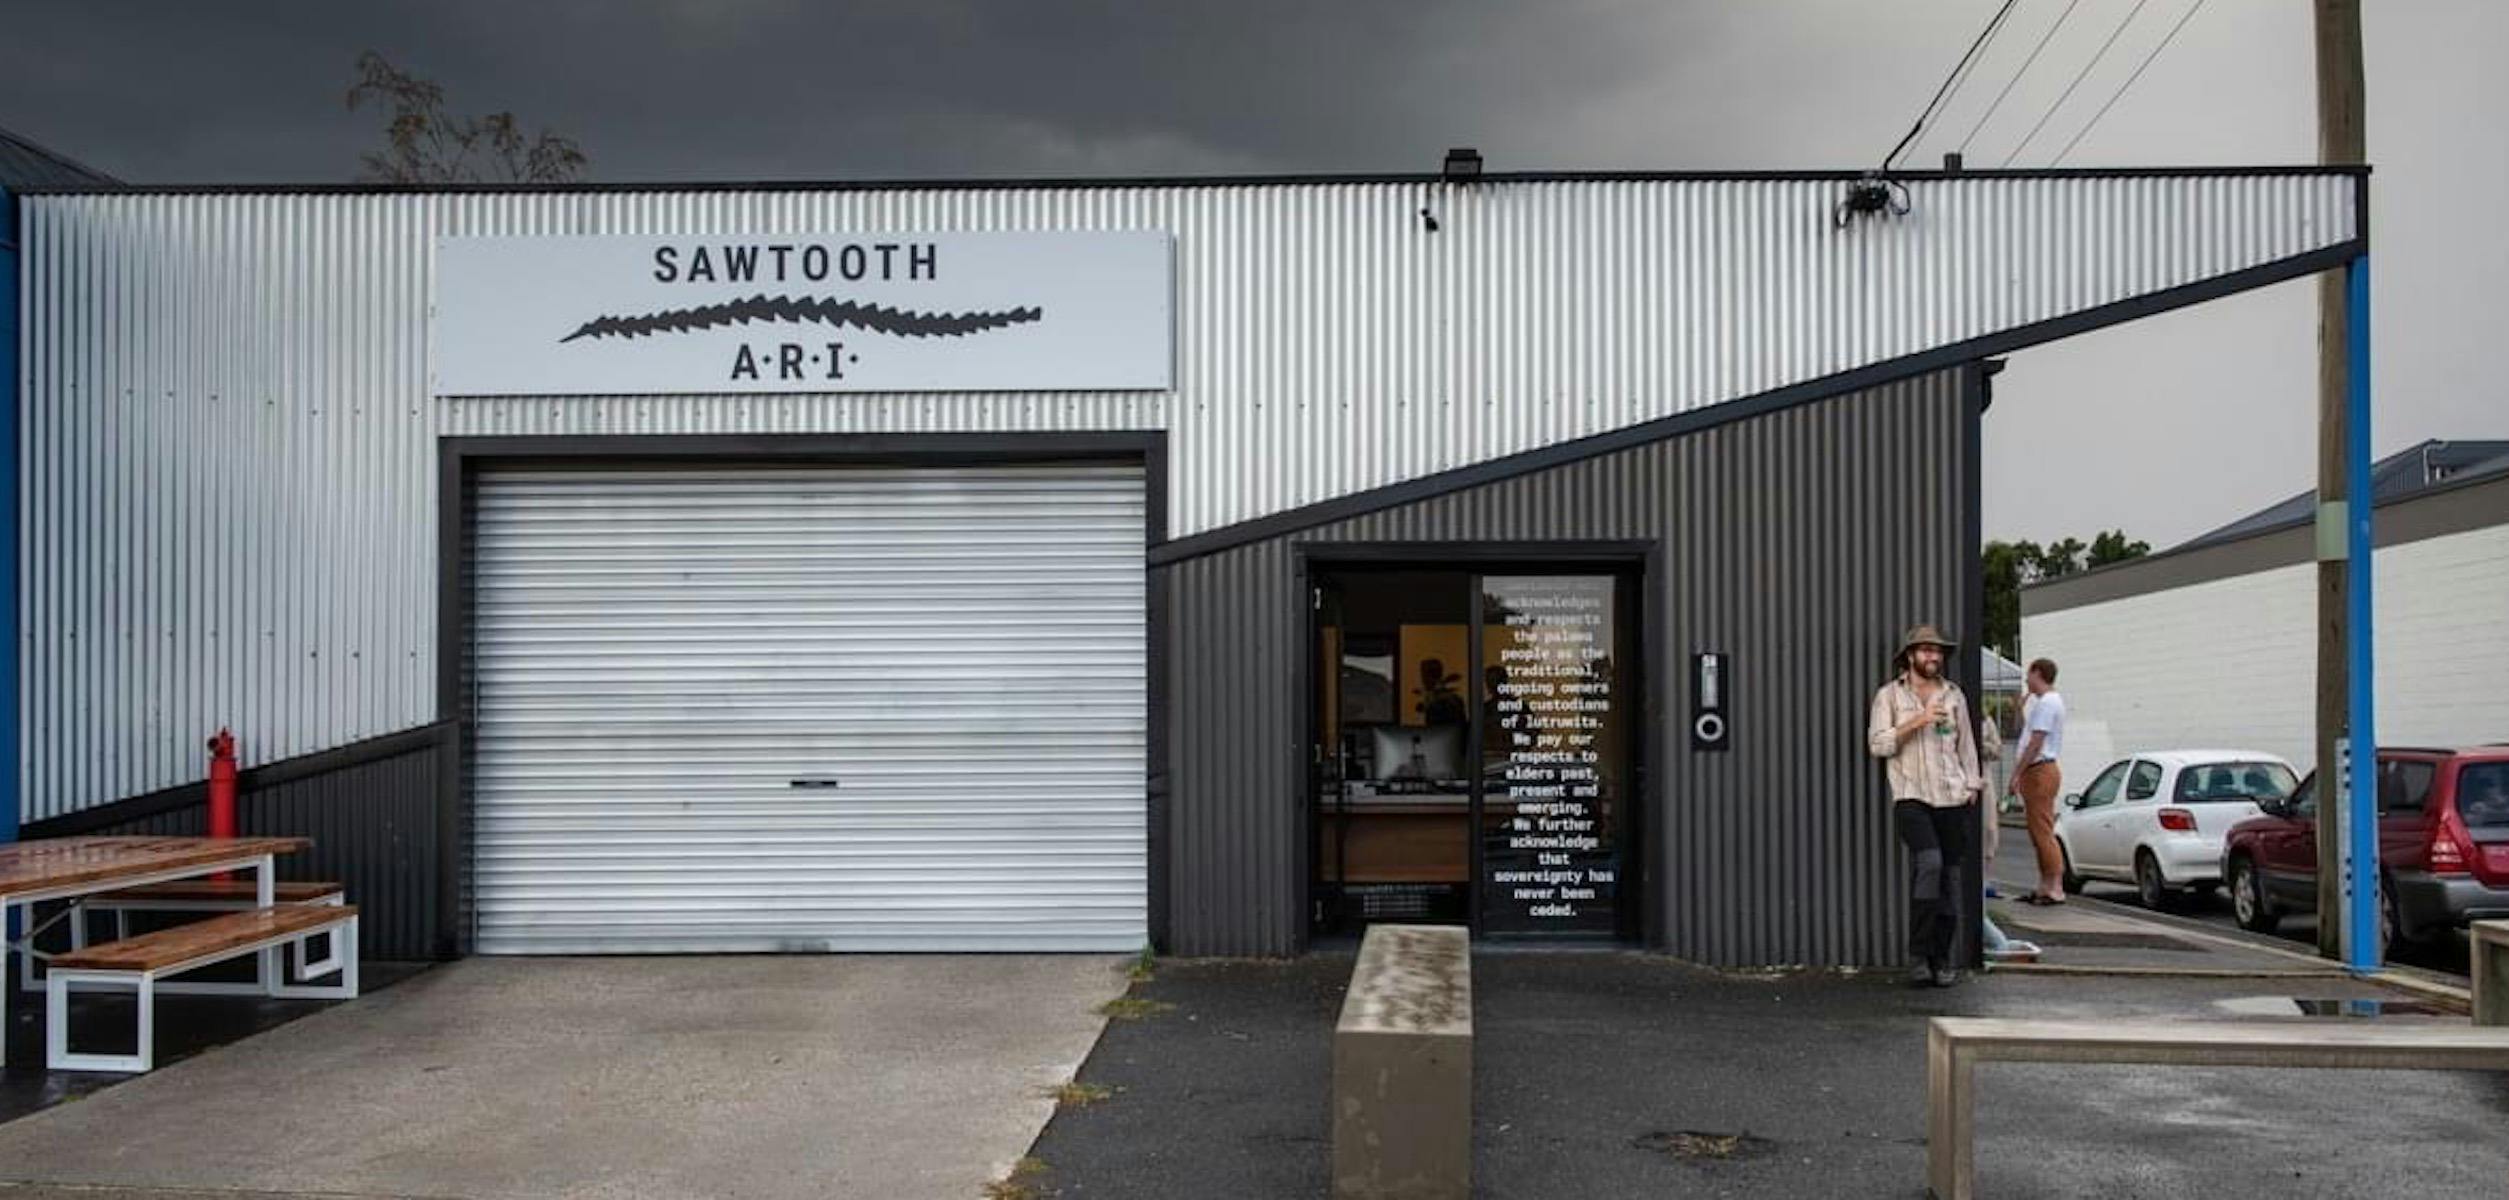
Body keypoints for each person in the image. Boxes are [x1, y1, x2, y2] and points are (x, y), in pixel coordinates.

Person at [1867, 624, 1983, 988]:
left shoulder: (1954, 696)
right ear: (1910, 656)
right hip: (1912, 795)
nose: (1933, 657)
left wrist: (1972, 784)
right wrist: (1917, 721)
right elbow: (1878, 745)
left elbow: (1966, 745)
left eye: (1938, 651)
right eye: (1926, 650)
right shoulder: (1889, 696)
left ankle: (1941, 958)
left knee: (1948, 878)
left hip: (1952, 797)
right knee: (1929, 864)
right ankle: (1918, 954)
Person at [2009, 658, 2068, 904]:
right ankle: (2045, 884)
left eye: (2028, 675)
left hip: (2039, 771)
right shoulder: (2046, 703)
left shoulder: (2047, 703)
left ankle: (2055, 886)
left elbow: (2036, 742)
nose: (2026, 680)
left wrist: (2017, 773)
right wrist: (2019, 711)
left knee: (2042, 830)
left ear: (2038, 673)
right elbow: (2028, 734)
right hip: (2039, 770)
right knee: (2037, 830)